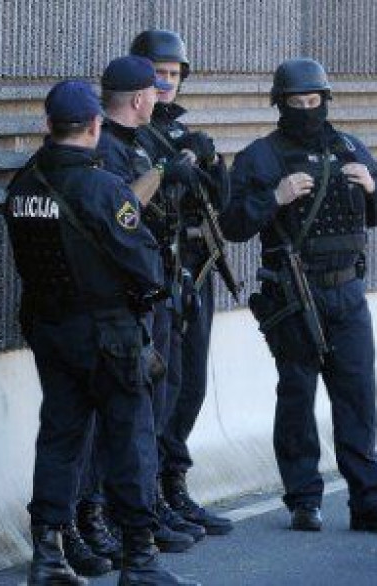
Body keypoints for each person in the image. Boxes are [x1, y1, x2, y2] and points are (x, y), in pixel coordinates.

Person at [4, 79, 200, 586]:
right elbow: (145, 265)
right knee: (131, 439)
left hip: (50, 330)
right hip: (109, 334)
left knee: (60, 437)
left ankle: (48, 556)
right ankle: (140, 560)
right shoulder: (102, 188)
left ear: (48, 125)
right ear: (95, 126)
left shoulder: (23, 187)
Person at [220, 58, 377, 535]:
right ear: (279, 104)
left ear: (326, 101)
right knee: (297, 396)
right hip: (293, 295)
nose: (307, 110)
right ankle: (304, 500)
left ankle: (370, 502)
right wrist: (275, 197)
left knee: (358, 398)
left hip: (347, 292)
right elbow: (233, 224)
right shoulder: (261, 157)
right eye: (296, 102)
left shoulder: (349, 147)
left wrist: (374, 188)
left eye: (314, 101)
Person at [76, 54, 203, 558]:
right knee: (119, 412)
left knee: (156, 402)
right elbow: (121, 210)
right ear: (136, 98)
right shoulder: (106, 148)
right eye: (154, 88)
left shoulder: (138, 141)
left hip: (152, 286)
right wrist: (165, 171)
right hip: (116, 299)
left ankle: (143, 508)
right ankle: (102, 515)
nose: (160, 95)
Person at [129, 29, 234, 537]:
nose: (167, 83)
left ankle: (173, 482)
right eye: (158, 74)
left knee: (189, 384)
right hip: (157, 273)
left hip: (194, 269)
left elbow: (223, 207)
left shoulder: (179, 132)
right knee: (158, 388)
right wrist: (169, 168)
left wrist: (211, 163)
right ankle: (148, 495)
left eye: (174, 74)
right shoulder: (133, 135)